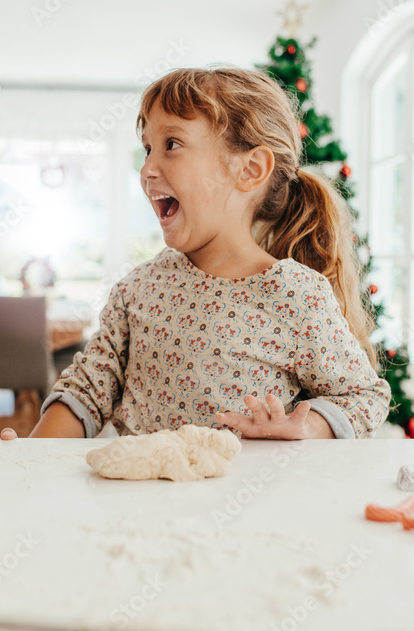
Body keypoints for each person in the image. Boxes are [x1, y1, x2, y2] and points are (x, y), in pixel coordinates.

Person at [27, 67, 391, 441]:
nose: (147, 168)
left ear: (249, 170)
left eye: (171, 144)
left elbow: (364, 396)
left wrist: (305, 425)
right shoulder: (138, 288)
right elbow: (85, 391)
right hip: (137, 499)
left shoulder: (296, 295)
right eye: (148, 148)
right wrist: (24, 461)